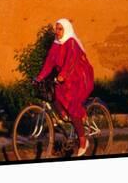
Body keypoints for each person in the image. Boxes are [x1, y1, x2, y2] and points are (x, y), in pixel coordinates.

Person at [35, 18, 94, 157]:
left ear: (66, 30)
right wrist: (39, 77)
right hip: (66, 79)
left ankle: (83, 140)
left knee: (72, 106)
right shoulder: (56, 44)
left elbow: (72, 61)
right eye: (56, 28)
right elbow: (49, 62)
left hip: (80, 78)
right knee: (53, 94)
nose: (57, 31)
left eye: (60, 29)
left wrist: (63, 75)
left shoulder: (72, 42)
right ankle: (71, 117)